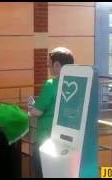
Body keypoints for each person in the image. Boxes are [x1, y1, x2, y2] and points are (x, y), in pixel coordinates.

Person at [28, 47, 74, 178]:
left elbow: (37, 112)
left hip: (46, 138)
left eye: (49, 64)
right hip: (67, 139)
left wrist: (30, 108)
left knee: (41, 171)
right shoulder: (76, 83)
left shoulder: (50, 84)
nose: (48, 67)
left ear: (57, 65)